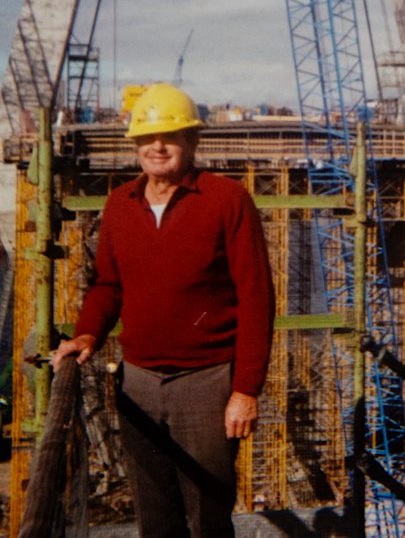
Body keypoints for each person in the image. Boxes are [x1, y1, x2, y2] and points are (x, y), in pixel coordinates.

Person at [53, 82, 275, 538]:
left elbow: (256, 297)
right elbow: (108, 284)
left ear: (192, 142)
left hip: (208, 382)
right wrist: (87, 334)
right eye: (148, 137)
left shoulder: (226, 200)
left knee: (208, 515)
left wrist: (245, 390)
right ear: (135, 145)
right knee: (155, 516)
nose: (158, 146)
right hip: (138, 382)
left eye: (171, 136)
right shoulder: (119, 205)